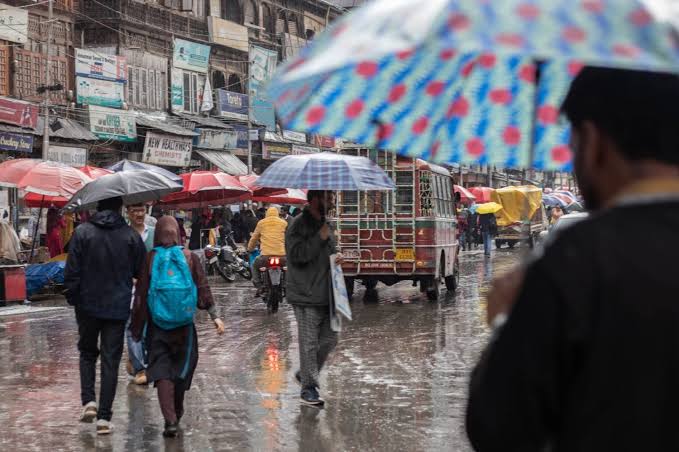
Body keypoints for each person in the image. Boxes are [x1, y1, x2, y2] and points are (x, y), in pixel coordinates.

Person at [466, 67, 679, 451]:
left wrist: (504, 319)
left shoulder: (576, 259)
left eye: (573, 143)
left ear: (593, 140)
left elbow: (498, 426)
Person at [130, 216, 225, 438]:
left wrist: (136, 328)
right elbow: (203, 287)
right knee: (181, 371)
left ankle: (170, 420)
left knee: (161, 371)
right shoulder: (189, 256)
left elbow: (141, 296)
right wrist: (215, 317)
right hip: (184, 327)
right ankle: (177, 411)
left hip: (157, 327)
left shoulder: (151, 258)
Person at [64, 197, 146, 435]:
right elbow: (140, 271)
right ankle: (104, 418)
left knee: (88, 353)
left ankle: (88, 401)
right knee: (111, 360)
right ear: (121, 208)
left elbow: (71, 273)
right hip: (117, 308)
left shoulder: (82, 233)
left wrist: (75, 299)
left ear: (97, 207)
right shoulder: (131, 236)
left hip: (87, 306)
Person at [286, 191, 342, 406]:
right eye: (328, 198)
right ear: (314, 200)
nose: (332, 201)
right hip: (305, 293)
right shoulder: (297, 225)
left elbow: (328, 252)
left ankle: (306, 373)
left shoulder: (327, 223)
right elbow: (298, 255)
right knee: (309, 342)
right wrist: (321, 237)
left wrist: (337, 257)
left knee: (330, 339)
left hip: (329, 292)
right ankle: (308, 388)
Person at [124, 203, 156, 385]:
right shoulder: (123, 235)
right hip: (131, 291)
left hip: (152, 289)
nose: (138, 213)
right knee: (133, 328)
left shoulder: (153, 233)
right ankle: (140, 368)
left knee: (150, 328)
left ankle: (136, 358)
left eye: (141, 210)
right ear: (127, 213)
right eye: (134, 210)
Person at [248, 206, 288, 295]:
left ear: (267, 214)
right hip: (282, 257)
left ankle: (259, 286)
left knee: (254, 265)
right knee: (289, 267)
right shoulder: (283, 223)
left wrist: (250, 249)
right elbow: (290, 237)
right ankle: (286, 285)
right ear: (277, 214)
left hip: (265, 257)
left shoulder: (261, 223)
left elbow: (254, 238)